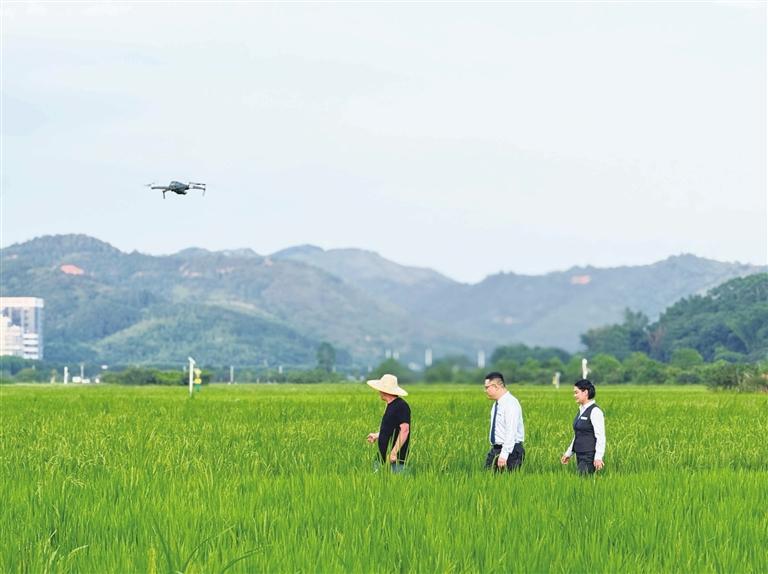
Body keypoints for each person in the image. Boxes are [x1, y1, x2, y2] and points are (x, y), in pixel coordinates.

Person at [365, 374, 411, 473]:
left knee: (396, 482)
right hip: (382, 457)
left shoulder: (401, 406)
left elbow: (405, 430)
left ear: (384, 391)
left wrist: (393, 453)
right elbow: (391, 429)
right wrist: (377, 435)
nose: (379, 392)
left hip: (395, 459)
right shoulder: (391, 405)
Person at [560, 379, 606, 475]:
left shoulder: (595, 411)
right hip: (579, 455)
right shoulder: (581, 410)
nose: (574, 395)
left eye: (576, 392)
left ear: (585, 392)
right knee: (582, 481)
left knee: (583, 481)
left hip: (589, 456)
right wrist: (568, 453)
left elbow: (600, 436)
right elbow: (578, 435)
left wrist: (598, 457)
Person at [483, 372, 525, 471]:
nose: (485, 391)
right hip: (496, 449)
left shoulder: (511, 404)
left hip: (511, 452)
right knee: (486, 476)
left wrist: (504, 454)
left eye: (487, 387)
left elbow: (511, 431)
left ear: (496, 386)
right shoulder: (497, 404)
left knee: (507, 479)